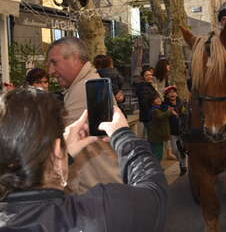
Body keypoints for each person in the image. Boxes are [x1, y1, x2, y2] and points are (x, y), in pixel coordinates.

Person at [0, 87, 168, 231]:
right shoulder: (98, 212)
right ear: (58, 150)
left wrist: (60, 157)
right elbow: (155, 196)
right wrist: (123, 137)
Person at [47, 37, 122, 194]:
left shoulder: (84, 90)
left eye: (54, 62)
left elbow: (53, 141)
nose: (50, 71)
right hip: (99, 190)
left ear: (75, 58)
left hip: (95, 191)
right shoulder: (85, 85)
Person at [164, 85, 187, 176]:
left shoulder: (181, 103)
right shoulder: (165, 105)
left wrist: (181, 114)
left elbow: (186, 114)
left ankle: (183, 166)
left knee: (182, 150)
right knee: (175, 151)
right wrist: (169, 112)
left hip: (182, 131)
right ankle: (182, 163)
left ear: (176, 94)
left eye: (174, 92)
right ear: (167, 95)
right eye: (170, 93)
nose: (172, 94)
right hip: (172, 131)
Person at [147, 92, 174, 161]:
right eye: (156, 99)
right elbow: (161, 116)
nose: (159, 100)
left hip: (158, 137)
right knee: (157, 155)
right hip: (156, 137)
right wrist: (169, 111)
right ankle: (156, 169)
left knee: (158, 154)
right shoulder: (154, 110)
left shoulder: (158, 109)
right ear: (152, 102)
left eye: (158, 98)